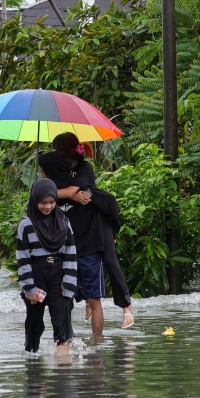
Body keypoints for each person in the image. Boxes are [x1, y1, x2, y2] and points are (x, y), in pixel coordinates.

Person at [39, 133, 134, 330]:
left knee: (109, 261)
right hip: (77, 227)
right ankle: (89, 304)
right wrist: (70, 196)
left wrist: (78, 194)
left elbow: (89, 191)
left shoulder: (84, 167)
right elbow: (55, 193)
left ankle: (126, 308)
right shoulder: (56, 171)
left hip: (100, 221)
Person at [16, 179, 78, 353]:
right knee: (34, 325)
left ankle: (63, 373)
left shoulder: (64, 223)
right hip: (36, 277)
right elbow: (23, 258)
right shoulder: (26, 226)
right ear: (35, 201)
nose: (48, 207)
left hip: (59, 277)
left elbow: (71, 255)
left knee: (63, 327)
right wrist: (29, 289)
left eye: (52, 202)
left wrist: (69, 285)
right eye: (43, 203)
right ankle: (32, 367)